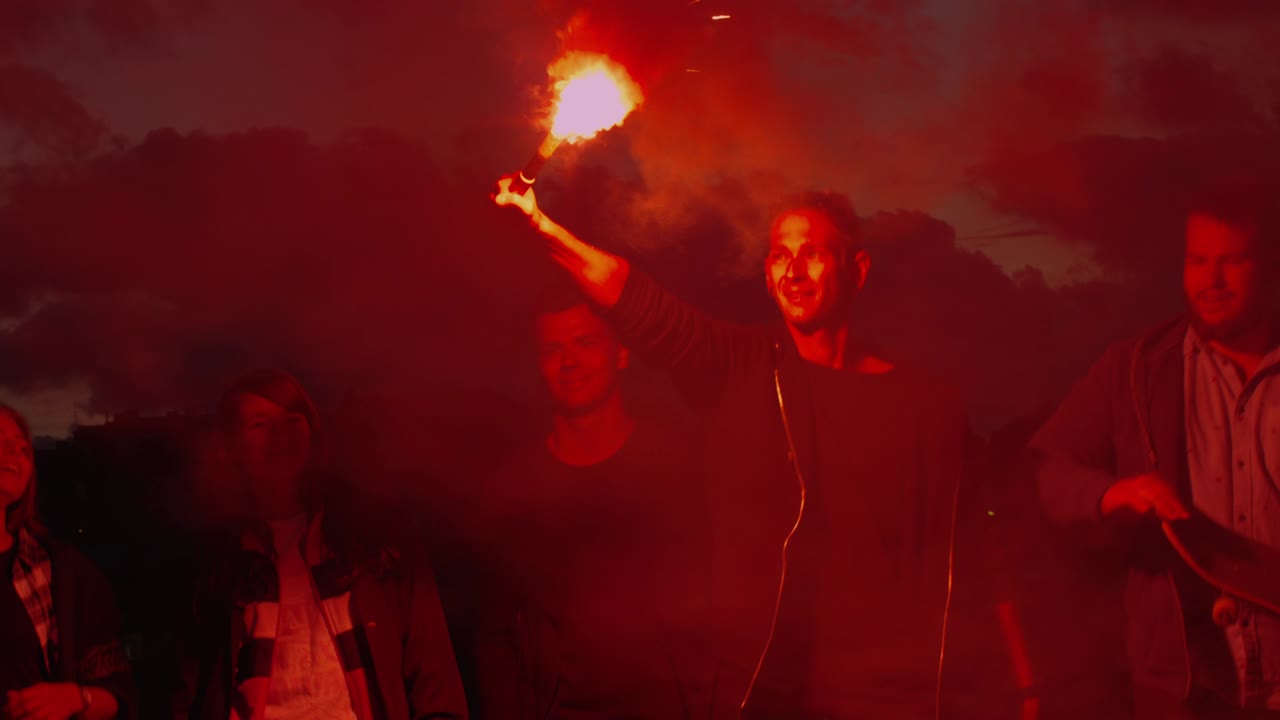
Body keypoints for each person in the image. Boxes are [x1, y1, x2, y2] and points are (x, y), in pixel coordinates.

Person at [493, 180, 972, 719]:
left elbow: (973, 562)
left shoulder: (924, 405)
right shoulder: (739, 368)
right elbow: (636, 301)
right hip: (769, 698)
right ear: (767, 276)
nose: (794, 272)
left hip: (892, 701)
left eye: (812, 254)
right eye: (780, 256)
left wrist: (1013, 690)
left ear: (857, 270)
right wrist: (542, 226)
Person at [1032, 180, 1280, 718]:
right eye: (1198, 261)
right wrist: (1110, 493)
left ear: (1270, 264)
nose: (1211, 281)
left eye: (1233, 260)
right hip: (1181, 691)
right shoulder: (1134, 369)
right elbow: (1045, 471)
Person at [463, 290, 708, 719]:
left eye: (586, 342)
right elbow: (493, 637)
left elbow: (723, 608)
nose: (569, 362)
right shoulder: (514, 490)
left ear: (621, 353)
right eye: (552, 349)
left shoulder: (677, 468)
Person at [177, 369, 467, 720]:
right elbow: (186, 687)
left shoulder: (377, 537)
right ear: (232, 446)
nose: (280, 436)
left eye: (292, 420)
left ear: (312, 431)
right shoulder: (214, 559)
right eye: (260, 425)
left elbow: (434, 676)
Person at [0, 404, 132, 720]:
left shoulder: (64, 575)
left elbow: (117, 693)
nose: (15, 451)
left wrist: (75, 698)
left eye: (22, 447)